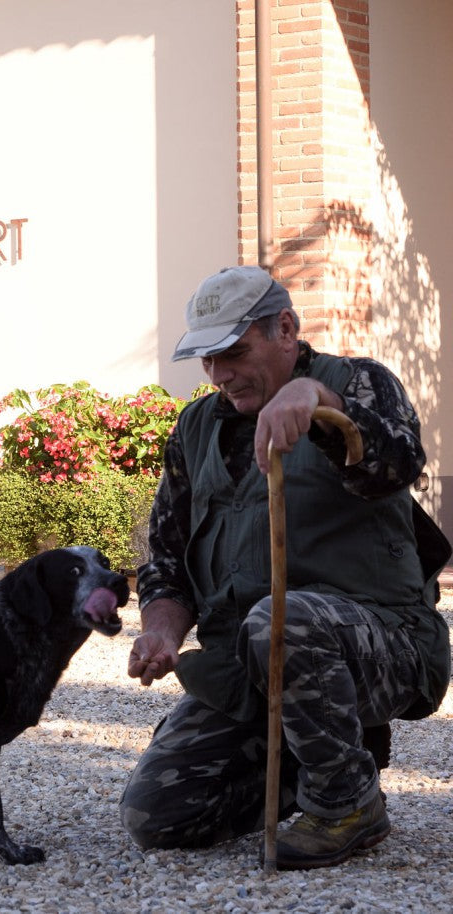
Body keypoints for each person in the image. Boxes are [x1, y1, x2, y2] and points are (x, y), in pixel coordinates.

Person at [119, 265, 450, 869]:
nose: (221, 375)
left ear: (287, 329)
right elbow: (167, 560)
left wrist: (320, 403)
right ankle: (333, 752)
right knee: (155, 815)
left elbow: (397, 464)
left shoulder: (359, 382)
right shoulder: (195, 430)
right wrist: (163, 629)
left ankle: (347, 805)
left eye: (236, 353)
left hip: (382, 642)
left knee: (282, 619)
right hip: (251, 662)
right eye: (208, 360)